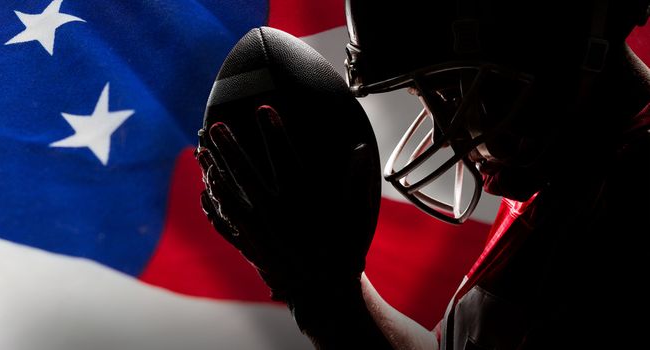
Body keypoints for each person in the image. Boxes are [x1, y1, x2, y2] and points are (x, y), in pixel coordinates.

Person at [198, 0, 650, 348]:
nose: (445, 127)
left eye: (451, 86)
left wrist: (322, 300)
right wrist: (325, 287)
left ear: (544, 37)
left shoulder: (625, 207)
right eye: (424, 94)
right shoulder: (574, 174)